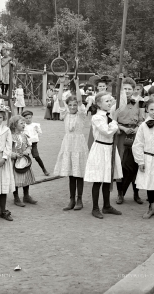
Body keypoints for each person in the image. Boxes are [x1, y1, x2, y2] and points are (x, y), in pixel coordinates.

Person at [84, 91, 122, 219]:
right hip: (100, 148)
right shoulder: (97, 117)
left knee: (107, 178)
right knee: (98, 179)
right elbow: (107, 131)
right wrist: (115, 121)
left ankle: (107, 206)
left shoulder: (108, 115)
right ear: (99, 104)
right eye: (107, 101)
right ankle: (95, 208)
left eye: (110, 100)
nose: (110, 103)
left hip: (110, 149)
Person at [53, 77, 89, 211]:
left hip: (78, 145)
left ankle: (80, 199)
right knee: (71, 174)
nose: (73, 107)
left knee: (79, 173)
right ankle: (71, 199)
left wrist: (77, 84)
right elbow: (60, 99)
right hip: (68, 145)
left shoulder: (81, 114)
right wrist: (61, 84)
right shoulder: (66, 114)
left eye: (74, 105)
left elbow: (79, 101)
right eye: (71, 105)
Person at [113, 77, 145, 205]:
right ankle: (120, 194)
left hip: (135, 136)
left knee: (135, 164)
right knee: (120, 164)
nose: (127, 91)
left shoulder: (139, 103)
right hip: (121, 135)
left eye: (129, 89)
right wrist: (122, 128)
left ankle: (136, 194)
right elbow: (112, 120)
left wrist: (137, 128)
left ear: (133, 90)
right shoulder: (116, 103)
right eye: (124, 88)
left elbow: (142, 120)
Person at [10, 116, 38, 207]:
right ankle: (16, 197)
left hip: (24, 160)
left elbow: (29, 146)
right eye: (21, 123)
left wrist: (27, 151)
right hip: (15, 161)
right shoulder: (10, 137)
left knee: (26, 177)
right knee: (15, 179)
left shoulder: (24, 135)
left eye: (24, 123)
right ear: (14, 125)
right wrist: (14, 154)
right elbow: (6, 149)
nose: (24, 125)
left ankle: (26, 195)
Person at [22, 110, 50, 176]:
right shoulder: (23, 125)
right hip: (25, 144)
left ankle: (44, 169)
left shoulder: (35, 125)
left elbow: (40, 133)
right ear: (23, 119)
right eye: (26, 118)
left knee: (37, 157)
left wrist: (37, 130)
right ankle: (25, 172)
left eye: (30, 118)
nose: (28, 119)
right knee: (26, 158)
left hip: (33, 143)